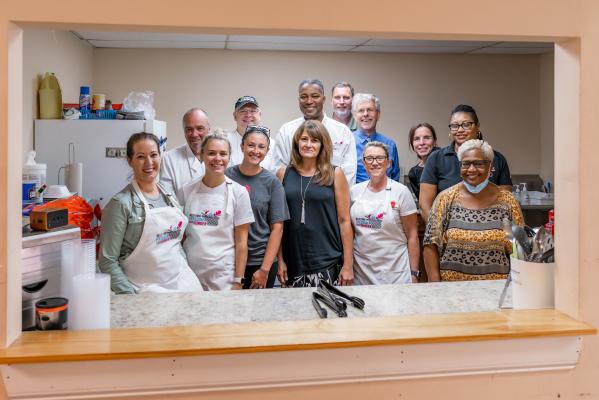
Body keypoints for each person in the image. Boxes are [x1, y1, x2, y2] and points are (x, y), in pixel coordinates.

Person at [99, 132, 203, 294]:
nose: (149, 162)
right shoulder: (121, 204)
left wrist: (185, 269)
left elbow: (174, 242)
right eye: (141, 156)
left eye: (153, 155)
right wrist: (131, 298)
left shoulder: (168, 195)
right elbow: (107, 261)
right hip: (146, 291)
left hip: (183, 284)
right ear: (130, 161)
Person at [423, 139, 524, 282]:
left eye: (478, 163)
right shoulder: (445, 199)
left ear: (490, 166)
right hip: (452, 291)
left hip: (496, 290)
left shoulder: (508, 201)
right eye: (466, 164)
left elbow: (519, 248)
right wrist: (435, 286)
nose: (471, 169)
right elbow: (430, 244)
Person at [276, 120, 354, 287]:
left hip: (328, 260)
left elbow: (344, 220)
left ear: (322, 144)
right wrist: (280, 260)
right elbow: (278, 223)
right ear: (297, 142)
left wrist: (348, 265)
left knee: (329, 312)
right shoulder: (283, 174)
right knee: (296, 312)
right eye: (304, 139)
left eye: (314, 140)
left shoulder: (335, 174)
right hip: (293, 263)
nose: (309, 144)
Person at [179, 132, 255, 290]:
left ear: (229, 157)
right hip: (190, 274)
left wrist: (238, 280)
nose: (217, 159)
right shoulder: (186, 190)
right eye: (211, 153)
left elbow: (242, 243)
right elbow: (180, 236)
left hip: (224, 276)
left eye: (223, 154)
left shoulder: (239, 193)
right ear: (201, 156)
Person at [419, 104, 513, 222]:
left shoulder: (496, 159)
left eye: (466, 124)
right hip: (448, 234)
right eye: (454, 126)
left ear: (477, 126)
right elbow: (425, 206)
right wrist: (439, 233)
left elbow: (506, 203)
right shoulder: (436, 158)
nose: (460, 130)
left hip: (489, 230)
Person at [225, 125, 290, 289]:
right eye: (251, 145)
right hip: (229, 259)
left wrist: (264, 269)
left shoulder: (272, 182)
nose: (256, 150)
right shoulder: (226, 176)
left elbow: (277, 228)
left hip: (260, 261)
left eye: (261, 147)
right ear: (242, 147)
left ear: (267, 151)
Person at [351, 142, 420, 285]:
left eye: (379, 158)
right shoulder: (354, 192)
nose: (374, 163)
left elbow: (413, 236)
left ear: (388, 162)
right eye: (369, 158)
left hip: (395, 273)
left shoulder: (401, 192)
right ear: (363, 163)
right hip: (361, 272)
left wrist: (414, 273)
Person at [272, 78, 357, 185]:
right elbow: (278, 170)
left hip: (330, 199)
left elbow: (349, 174)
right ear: (298, 100)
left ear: (324, 99)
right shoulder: (286, 131)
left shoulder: (342, 132)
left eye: (315, 96)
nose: (309, 101)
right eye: (304, 97)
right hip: (294, 197)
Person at [160, 108, 210, 200]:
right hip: (180, 214)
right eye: (189, 129)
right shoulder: (169, 159)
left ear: (209, 129)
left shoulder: (220, 157)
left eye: (200, 128)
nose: (194, 134)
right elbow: (167, 198)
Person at [352, 93, 400, 184]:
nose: (365, 114)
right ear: (355, 115)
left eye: (370, 110)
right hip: (354, 196)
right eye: (361, 110)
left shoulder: (390, 145)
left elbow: (395, 179)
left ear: (378, 114)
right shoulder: (348, 143)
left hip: (385, 196)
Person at [225, 96, 275, 170]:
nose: (248, 115)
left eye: (252, 111)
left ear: (259, 115)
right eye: (243, 111)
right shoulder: (224, 141)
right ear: (235, 116)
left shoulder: (272, 144)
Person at [407, 122, 439, 200]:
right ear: (412, 144)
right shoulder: (413, 173)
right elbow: (423, 203)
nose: (421, 143)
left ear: (434, 141)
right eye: (417, 139)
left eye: (427, 138)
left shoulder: (447, 160)